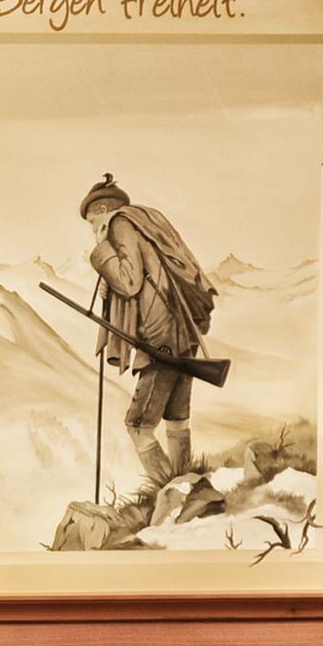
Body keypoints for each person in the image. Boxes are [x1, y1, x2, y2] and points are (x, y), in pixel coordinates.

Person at [78, 174, 218, 488]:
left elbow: (129, 282)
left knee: (138, 425)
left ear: (103, 210)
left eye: (92, 222)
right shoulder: (148, 220)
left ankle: (173, 491)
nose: (93, 229)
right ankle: (188, 487)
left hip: (159, 339)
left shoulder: (121, 225)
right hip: (183, 332)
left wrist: (101, 251)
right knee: (177, 418)